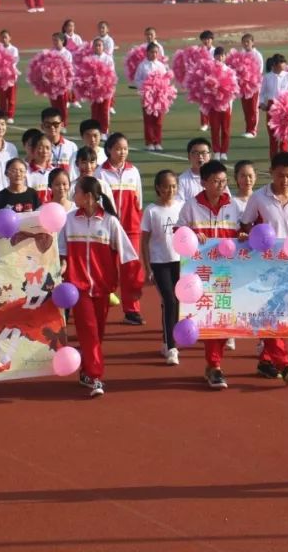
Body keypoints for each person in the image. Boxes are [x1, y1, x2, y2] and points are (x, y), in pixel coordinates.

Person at [58, 176, 137, 397]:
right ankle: (95, 377)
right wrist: (63, 265)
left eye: (77, 193)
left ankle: (86, 370)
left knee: (97, 333)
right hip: (77, 286)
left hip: (103, 288)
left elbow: (128, 255)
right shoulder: (69, 220)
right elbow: (61, 250)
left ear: (89, 196)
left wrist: (134, 283)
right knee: (89, 330)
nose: (73, 197)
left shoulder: (110, 222)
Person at [238, 152, 288, 384]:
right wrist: (248, 236)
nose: (285, 180)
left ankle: (267, 361)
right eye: (280, 175)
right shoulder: (259, 197)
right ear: (271, 173)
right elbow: (246, 223)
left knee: (281, 312)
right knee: (271, 313)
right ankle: (284, 362)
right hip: (265, 265)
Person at [175, 160, 243, 390]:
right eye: (215, 181)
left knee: (222, 318)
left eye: (224, 181)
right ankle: (214, 366)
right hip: (200, 274)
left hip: (227, 272)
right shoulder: (191, 206)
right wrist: (194, 235)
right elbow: (179, 232)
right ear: (203, 183)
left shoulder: (233, 206)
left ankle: (214, 364)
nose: (221, 185)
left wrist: (243, 235)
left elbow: (242, 230)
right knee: (208, 318)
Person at [97, 133, 145, 325]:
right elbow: (99, 202)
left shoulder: (134, 171)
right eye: (118, 149)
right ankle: (101, 307)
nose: (122, 152)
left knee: (131, 270)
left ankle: (132, 310)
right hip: (108, 229)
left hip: (131, 228)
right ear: (109, 150)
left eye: (125, 148)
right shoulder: (101, 173)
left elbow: (139, 200)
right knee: (107, 271)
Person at [141, 170, 184, 365]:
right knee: (169, 300)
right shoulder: (151, 210)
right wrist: (148, 266)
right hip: (159, 263)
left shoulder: (182, 207)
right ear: (158, 187)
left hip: (180, 262)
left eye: (173, 186)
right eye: (166, 186)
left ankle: (168, 341)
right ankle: (171, 346)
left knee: (177, 302)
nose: (170, 190)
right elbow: (145, 240)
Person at [135, 42, 169, 151]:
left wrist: (162, 88)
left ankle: (157, 141)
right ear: (147, 53)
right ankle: (149, 142)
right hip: (147, 96)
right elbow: (137, 79)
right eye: (152, 52)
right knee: (148, 120)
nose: (154, 54)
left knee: (158, 121)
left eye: (156, 52)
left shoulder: (161, 65)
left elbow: (166, 79)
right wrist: (146, 86)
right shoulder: (142, 65)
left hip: (159, 96)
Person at [261, 54, 288, 158]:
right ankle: (274, 162)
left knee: (284, 137)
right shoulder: (267, 77)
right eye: (281, 66)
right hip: (271, 106)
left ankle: (284, 161)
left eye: (284, 65)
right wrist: (262, 103)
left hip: (285, 106)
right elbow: (262, 93)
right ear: (274, 65)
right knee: (273, 137)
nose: (283, 68)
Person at [238, 33, 264, 139]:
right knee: (246, 108)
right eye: (244, 42)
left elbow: (259, 70)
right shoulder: (241, 53)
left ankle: (253, 130)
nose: (245, 44)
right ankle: (248, 129)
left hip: (253, 86)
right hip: (243, 86)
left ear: (252, 42)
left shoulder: (257, 55)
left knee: (253, 108)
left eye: (247, 42)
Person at [41, 107, 78, 172]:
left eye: (55, 124)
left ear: (62, 125)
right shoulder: (38, 148)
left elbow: (75, 170)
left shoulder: (71, 147)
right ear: (42, 126)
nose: (52, 127)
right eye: (48, 125)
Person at [0, 30, 19, 122]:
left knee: (11, 98)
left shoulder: (14, 49)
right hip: (1, 77)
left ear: (9, 38)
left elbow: (13, 61)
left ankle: (10, 115)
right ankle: (3, 114)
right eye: (2, 37)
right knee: (2, 98)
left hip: (11, 76)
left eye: (6, 37)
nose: (4, 39)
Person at [177, 137, 212, 202]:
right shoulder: (181, 181)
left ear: (210, 155)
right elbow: (179, 206)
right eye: (196, 153)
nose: (200, 157)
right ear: (189, 157)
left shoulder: (218, 178)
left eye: (204, 153)